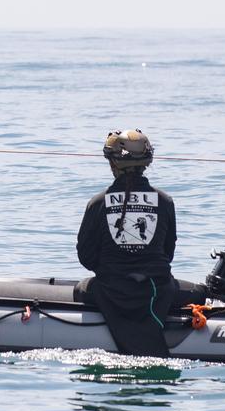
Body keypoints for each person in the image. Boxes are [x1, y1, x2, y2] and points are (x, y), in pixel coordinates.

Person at [75, 129, 178, 357]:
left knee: (79, 289)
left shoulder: (97, 203)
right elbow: (168, 252)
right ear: (146, 163)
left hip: (110, 290)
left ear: (113, 164)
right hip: (156, 290)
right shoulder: (165, 201)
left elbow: (86, 256)